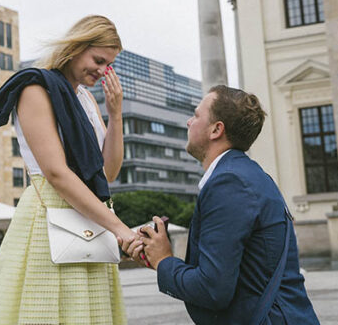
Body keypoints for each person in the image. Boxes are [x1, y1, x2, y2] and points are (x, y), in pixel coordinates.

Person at [0, 15, 137, 325]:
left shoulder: (85, 99)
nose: (101, 71)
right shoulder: (36, 89)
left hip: (89, 218)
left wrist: (116, 114)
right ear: (77, 47)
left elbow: (107, 173)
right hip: (50, 218)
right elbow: (56, 173)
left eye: (108, 66)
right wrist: (119, 228)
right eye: (98, 60)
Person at [120, 86, 319, 325]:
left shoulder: (229, 182)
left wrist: (164, 261)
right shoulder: (247, 175)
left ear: (216, 129)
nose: (188, 122)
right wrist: (159, 259)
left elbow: (212, 290)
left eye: (196, 115)